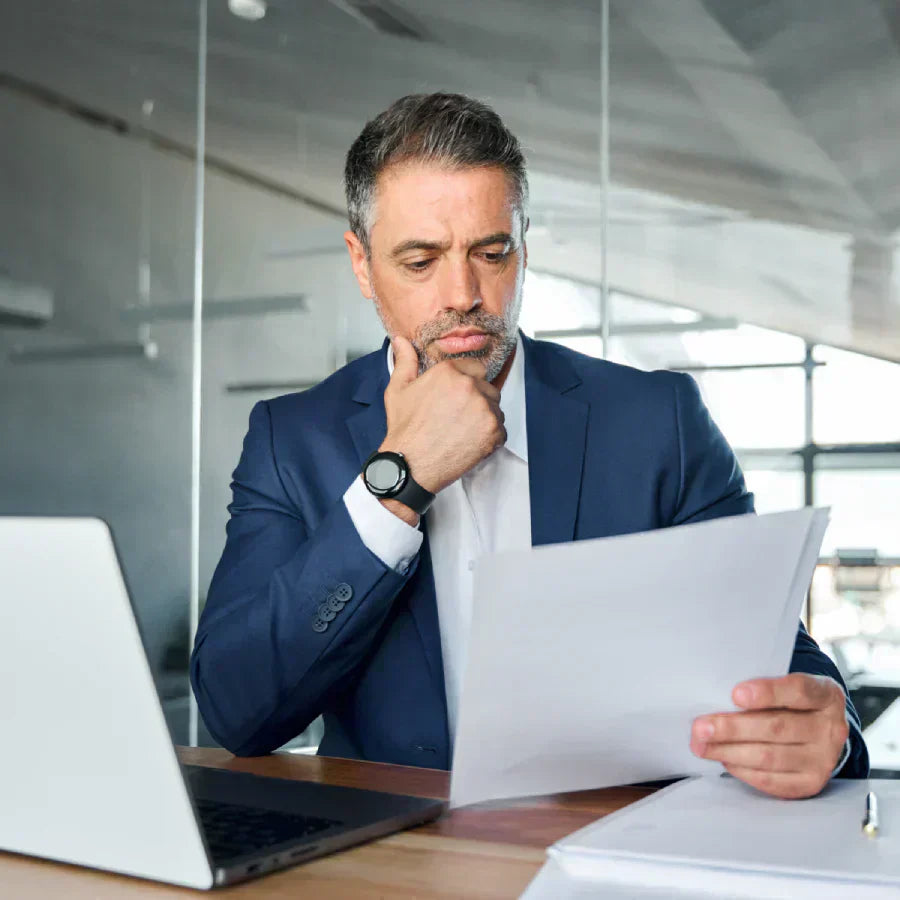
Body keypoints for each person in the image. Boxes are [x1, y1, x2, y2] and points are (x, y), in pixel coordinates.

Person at [191, 92, 867, 799]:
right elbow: (237, 711)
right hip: (394, 863)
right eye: (420, 260)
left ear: (523, 244)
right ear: (362, 265)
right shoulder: (293, 438)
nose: (464, 293)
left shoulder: (657, 420)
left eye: (492, 251)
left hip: (615, 847)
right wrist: (398, 483)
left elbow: (770, 649)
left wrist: (829, 723)